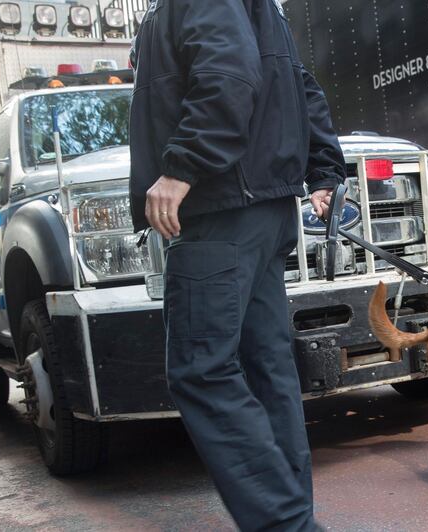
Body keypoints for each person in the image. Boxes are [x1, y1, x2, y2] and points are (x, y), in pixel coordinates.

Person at [128, 0, 346, 529]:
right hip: (261, 208)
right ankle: (292, 514)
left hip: (221, 206)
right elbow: (299, 85)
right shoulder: (260, 8)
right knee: (267, 369)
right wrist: (323, 165)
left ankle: (287, 525)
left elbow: (228, 75)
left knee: (201, 369)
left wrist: (183, 166)